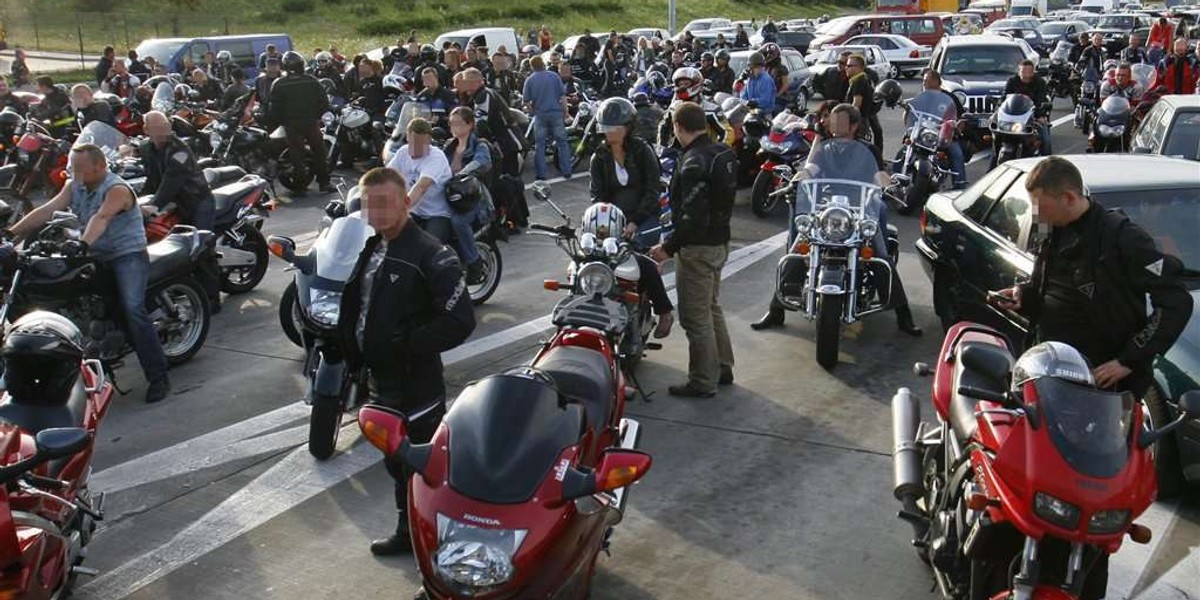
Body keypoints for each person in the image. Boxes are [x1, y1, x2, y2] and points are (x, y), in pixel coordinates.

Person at [340, 167, 475, 557]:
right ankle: (408, 532)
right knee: (397, 466)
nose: (378, 210)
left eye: (385, 201)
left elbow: (460, 319)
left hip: (417, 385)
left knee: (426, 472)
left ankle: (439, 556)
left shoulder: (432, 253)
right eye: (370, 203)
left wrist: (408, 343)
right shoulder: (373, 246)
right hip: (381, 382)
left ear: (405, 201)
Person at [990, 157, 1192, 402]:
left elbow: (1176, 301)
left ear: (1069, 198)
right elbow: (1045, 285)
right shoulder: (1047, 228)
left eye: (1042, 206)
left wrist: (1129, 360)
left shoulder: (1121, 238)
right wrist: (1023, 294)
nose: (1036, 214)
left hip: (1101, 384)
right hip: (1048, 372)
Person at [7, 145, 171, 403]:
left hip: (126, 255)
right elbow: (47, 210)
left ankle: (158, 375)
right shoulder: (75, 185)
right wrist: (9, 234)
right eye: (73, 166)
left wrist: (82, 243)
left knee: (132, 309)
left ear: (100, 166)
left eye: (80, 167)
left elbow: (102, 217)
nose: (75, 171)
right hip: (95, 254)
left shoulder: (116, 188)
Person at [752, 104, 922, 336]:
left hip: (859, 207)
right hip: (827, 207)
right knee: (797, 248)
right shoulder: (824, 148)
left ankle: (903, 316)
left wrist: (888, 184)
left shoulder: (868, 149)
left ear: (853, 125)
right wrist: (798, 178)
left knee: (880, 253)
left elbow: (878, 173)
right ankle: (776, 311)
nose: (834, 126)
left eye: (839, 122)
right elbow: (811, 169)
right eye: (832, 121)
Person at [648, 102, 736, 397]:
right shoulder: (722, 153)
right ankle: (722, 366)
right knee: (712, 308)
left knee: (695, 318)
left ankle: (703, 380)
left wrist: (668, 247)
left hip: (698, 248)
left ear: (678, 127)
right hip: (721, 242)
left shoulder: (693, 162)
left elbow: (691, 218)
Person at [589, 98, 675, 338]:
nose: (608, 130)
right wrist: (601, 218)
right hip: (614, 218)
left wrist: (635, 220)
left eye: (614, 125)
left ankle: (664, 311)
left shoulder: (642, 151)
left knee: (641, 262)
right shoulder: (599, 157)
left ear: (628, 126)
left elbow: (652, 189)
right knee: (592, 258)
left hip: (644, 216)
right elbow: (597, 193)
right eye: (605, 125)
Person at [266, 51, 334, 194]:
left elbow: (274, 108)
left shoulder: (279, 83)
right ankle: (324, 183)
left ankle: (301, 185)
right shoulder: (311, 80)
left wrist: (281, 121)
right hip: (311, 122)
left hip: (291, 125)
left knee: (297, 155)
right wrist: (318, 116)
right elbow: (323, 102)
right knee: (319, 152)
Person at [135, 111, 216, 230]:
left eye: (165, 126)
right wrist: (135, 203)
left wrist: (152, 206)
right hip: (176, 203)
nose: (162, 131)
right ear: (146, 130)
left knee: (200, 241)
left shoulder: (179, 150)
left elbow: (171, 183)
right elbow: (151, 179)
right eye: (157, 128)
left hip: (196, 201)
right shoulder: (147, 149)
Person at [443, 107, 494, 284]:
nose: (453, 126)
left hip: (473, 199)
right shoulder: (449, 146)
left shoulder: (480, 145)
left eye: (457, 123)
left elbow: (482, 163)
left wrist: (461, 174)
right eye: (451, 123)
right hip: (451, 196)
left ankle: (474, 262)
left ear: (470, 124)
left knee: (458, 221)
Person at [385, 117, 454, 243]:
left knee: (429, 247)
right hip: (414, 211)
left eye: (423, 144)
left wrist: (402, 207)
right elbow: (388, 176)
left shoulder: (436, 157)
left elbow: (421, 187)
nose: (418, 147)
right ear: (407, 137)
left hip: (436, 214)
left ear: (429, 140)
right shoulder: (402, 152)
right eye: (414, 143)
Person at [456, 68, 520, 177]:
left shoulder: (483, 96)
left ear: (474, 82)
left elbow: (481, 123)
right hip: (502, 141)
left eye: (466, 80)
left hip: (504, 143)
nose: (464, 83)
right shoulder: (482, 94)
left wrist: (467, 138)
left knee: (508, 180)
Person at [522, 56, 572, 181]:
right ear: (543, 64)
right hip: (556, 113)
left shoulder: (530, 80)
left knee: (540, 145)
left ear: (532, 66)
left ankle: (541, 175)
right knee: (562, 143)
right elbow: (563, 97)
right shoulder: (554, 76)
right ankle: (566, 171)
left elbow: (526, 101)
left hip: (540, 115)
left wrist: (533, 111)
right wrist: (566, 112)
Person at [920, 69, 968, 190]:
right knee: (907, 148)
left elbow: (961, 115)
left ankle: (960, 185)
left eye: (926, 81)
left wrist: (957, 127)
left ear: (936, 82)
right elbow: (913, 110)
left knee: (957, 153)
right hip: (925, 133)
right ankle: (896, 182)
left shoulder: (949, 97)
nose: (924, 84)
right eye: (924, 81)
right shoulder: (922, 97)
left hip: (944, 135)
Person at [1003, 59, 1052, 163]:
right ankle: (993, 166)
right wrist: (998, 109)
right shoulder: (1012, 81)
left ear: (1033, 72)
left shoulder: (1039, 82)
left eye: (1029, 72)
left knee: (1045, 139)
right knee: (997, 135)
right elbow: (1004, 98)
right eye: (1023, 72)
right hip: (1013, 117)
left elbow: (1041, 99)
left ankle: (1047, 163)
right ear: (1018, 71)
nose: (1026, 75)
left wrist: (1040, 114)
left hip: (1033, 115)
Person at [845, 54, 882, 152]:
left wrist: (850, 122)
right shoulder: (863, 79)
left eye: (849, 66)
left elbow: (857, 104)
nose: (846, 68)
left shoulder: (858, 81)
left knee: (856, 149)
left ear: (859, 67)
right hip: (863, 120)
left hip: (859, 121)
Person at [415, 67, 457, 133]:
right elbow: (416, 115)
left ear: (436, 78)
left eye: (430, 78)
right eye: (425, 79)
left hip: (444, 130)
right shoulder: (420, 97)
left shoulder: (448, 95)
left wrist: (440, 119)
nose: (428, 81)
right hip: (424, 131)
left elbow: (456, 116)